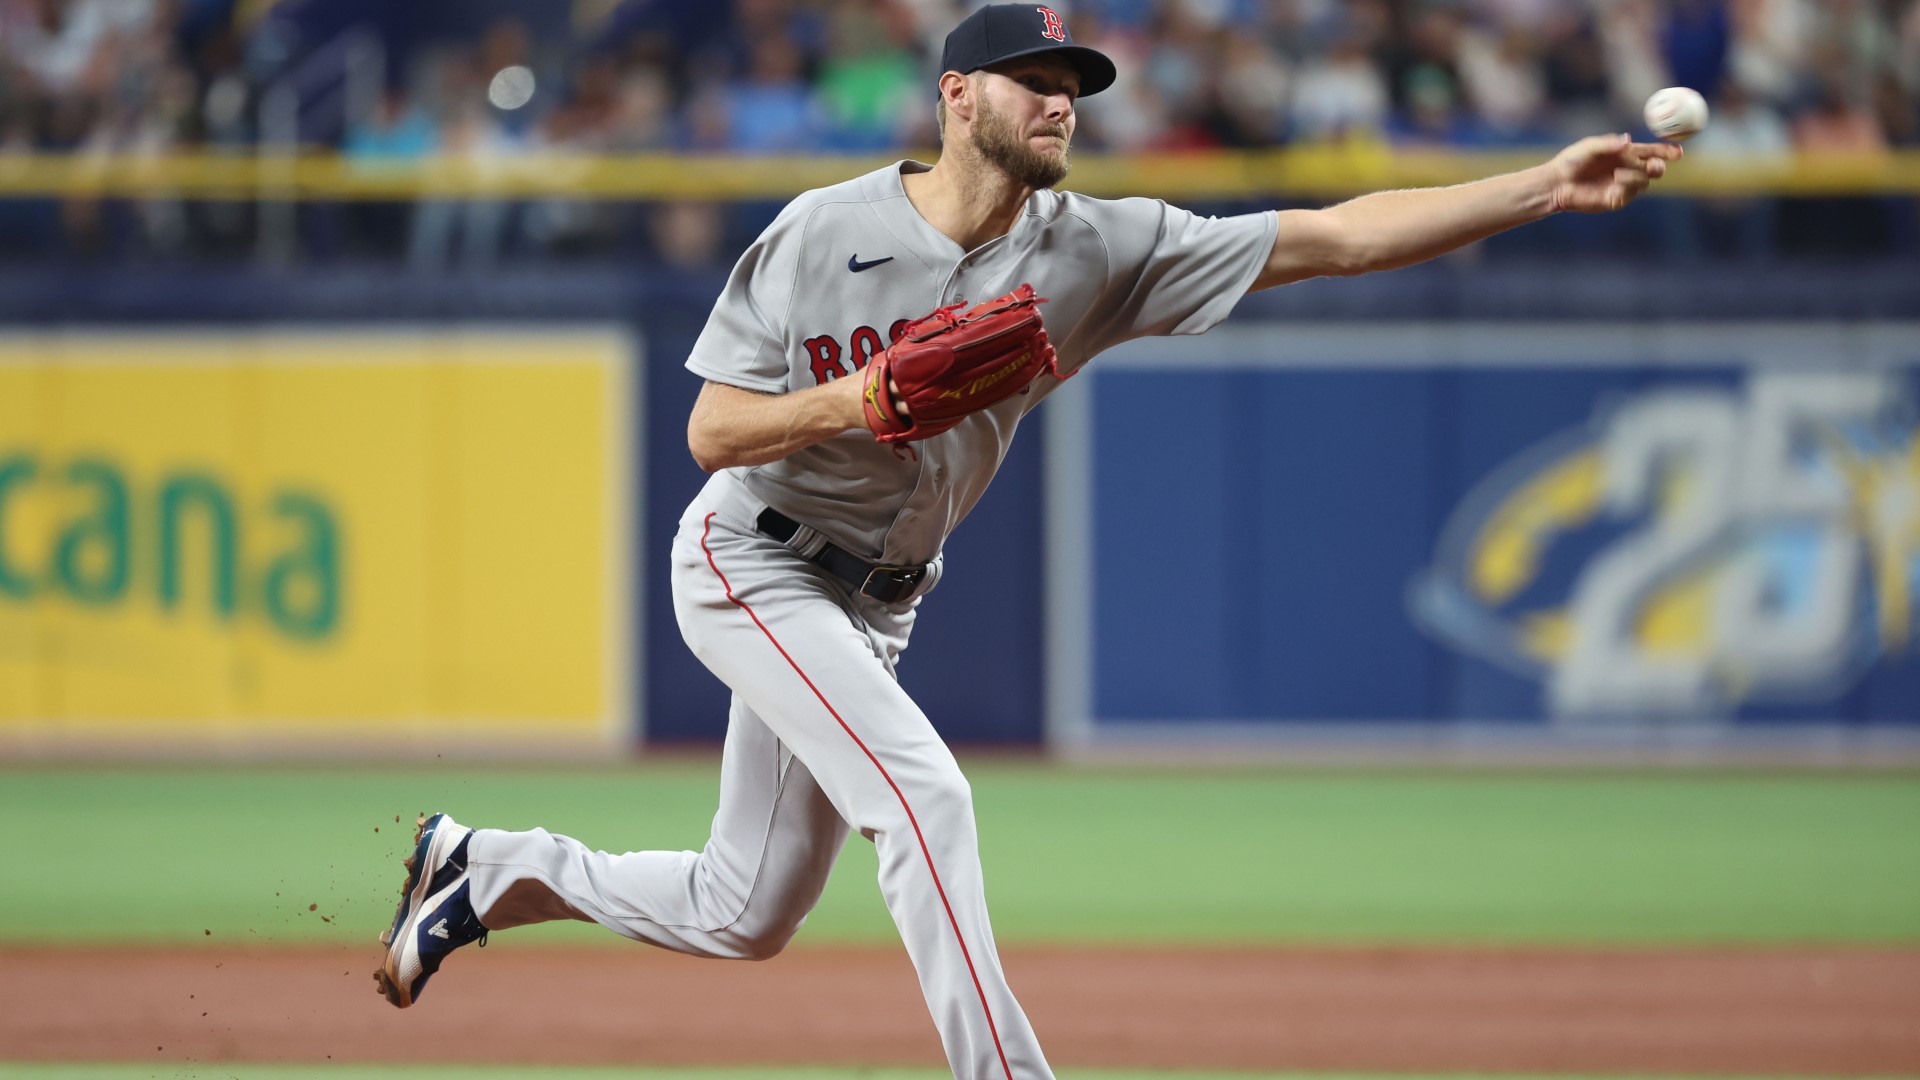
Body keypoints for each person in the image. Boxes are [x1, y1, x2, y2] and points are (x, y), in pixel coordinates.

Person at [373, 7, 1679, 1079]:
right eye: (1034, 79)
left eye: (1074, 85)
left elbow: (1330, 239)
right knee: (928, 796)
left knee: (743, 910)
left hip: (879, 604)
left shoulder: (1097, 248)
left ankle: (483, 873)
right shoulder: (825, 230)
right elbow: (713, 434)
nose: (1062, 102)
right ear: (957, 97)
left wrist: (1539, 188)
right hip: (750, 557)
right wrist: (855, 400)